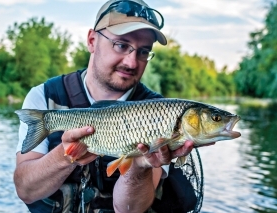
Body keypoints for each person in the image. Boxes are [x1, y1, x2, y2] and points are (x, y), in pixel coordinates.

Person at [14, 0, 209, 212]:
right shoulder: (44, 96)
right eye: (122, 45)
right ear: (92, 40)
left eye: (143, 51)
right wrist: (66, 155)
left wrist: (141, 166)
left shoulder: (161, 113)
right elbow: (25, 190)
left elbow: (130, 210)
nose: (132, 62)